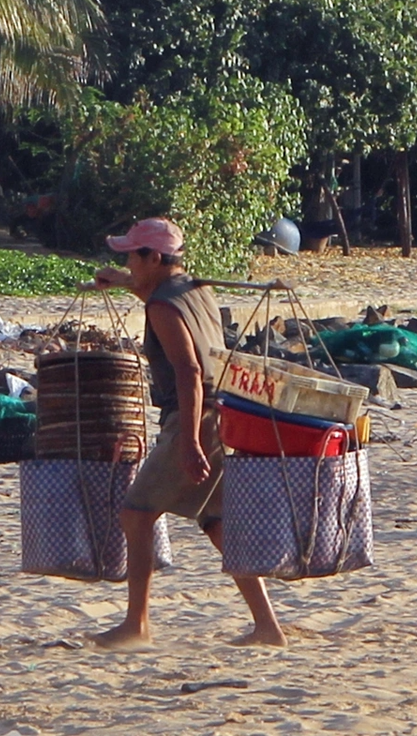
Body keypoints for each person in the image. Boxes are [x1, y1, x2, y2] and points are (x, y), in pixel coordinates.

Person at [85, 217, 286, 649]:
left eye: (131, 258)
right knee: (217, 524)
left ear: (154, 257)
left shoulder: (161, 306)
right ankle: (267, 627)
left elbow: (190, 372)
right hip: (225, 414)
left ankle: (136, 625)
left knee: (136, 514)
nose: (128, 264)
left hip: (194, 419)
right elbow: (154, 291)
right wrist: (123, 280)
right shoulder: (193, 288)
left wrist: (190, 440)